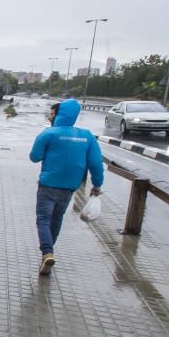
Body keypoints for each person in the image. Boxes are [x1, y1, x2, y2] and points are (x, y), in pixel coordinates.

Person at [29, 99, 103, 275]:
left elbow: (34, 157)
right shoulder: (87, 136)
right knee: (57, 219)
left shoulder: (49, 134)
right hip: (69, 187)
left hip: (48, 185)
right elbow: (96, 163)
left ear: (60, 113)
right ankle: (47, 255)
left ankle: (47, 252)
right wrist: (97, 185)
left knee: (43, 219)